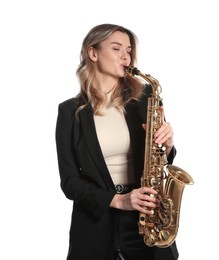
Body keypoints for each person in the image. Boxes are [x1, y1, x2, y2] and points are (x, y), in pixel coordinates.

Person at [55, 23, 179, 260]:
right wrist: (119, 200)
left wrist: (168, 144)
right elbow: (70, 183)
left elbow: (160, 158)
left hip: (148, 217)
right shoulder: (70, 111)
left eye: (129, 50)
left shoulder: (145, 99)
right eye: (116, 48)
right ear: (93, 53)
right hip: (95, 222)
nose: (126, 56)